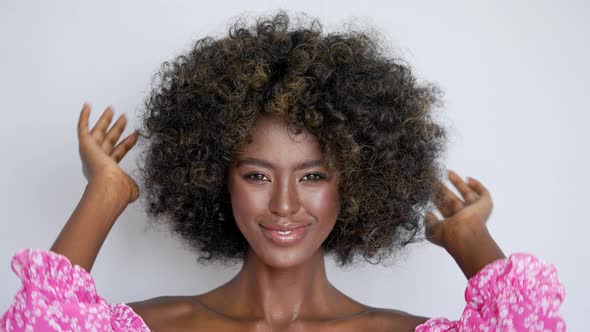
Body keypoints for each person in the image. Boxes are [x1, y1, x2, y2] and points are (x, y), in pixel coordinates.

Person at [1, 11, 565, 331]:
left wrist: (470, 237)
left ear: (358, 181)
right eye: (257, 175)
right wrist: (105, 193)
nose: (286, 205)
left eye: (314, 176)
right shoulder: (162, 325)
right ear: (215, 177)